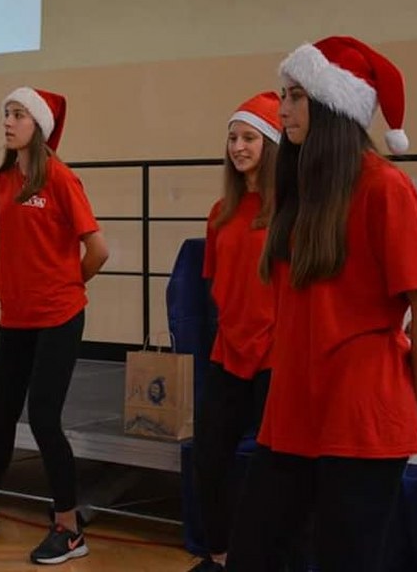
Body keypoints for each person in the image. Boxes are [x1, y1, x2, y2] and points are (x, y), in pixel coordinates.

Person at [227, 37, 417, 572]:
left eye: (296, 96)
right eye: (284, 95)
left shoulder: (385, 188)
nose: (282, 109)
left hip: (360, 417)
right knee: (254, 553)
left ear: (332, 105)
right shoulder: (301, 189)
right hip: (292, 410)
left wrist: (412, 409)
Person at [0, 87, 109, 565]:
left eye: (18, 114)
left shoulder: (61, 179)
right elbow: (16, 245)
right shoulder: (2, 181)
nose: (8, 122)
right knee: (1, 416)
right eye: (6, 114)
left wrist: (66, 286)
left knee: (44, 419)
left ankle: (70, 528)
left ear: (40, 126)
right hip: (16, 318)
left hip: (59, 317)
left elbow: (98, 250)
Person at [189, 93, 281, 572]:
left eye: (249, 138)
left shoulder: (290, 211)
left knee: (274, 468)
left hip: (276, 356)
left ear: (271, 145)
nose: (238, 147)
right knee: (208, 456)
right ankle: (220, 556)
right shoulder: (221, 211)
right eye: (232, 138)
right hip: (229, 351)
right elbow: (214, 282)